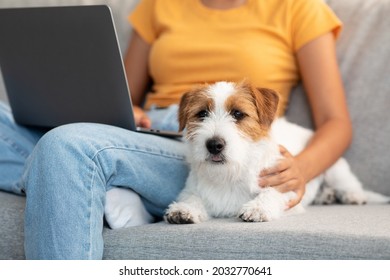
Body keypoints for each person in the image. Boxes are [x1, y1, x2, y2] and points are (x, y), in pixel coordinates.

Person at [0, 0, 351, 259]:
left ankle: (87, 178)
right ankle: (96, 183)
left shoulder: (298, 7)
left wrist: (299, 170)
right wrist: (131, 111)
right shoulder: (158, 5)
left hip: (206, 149)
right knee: (41, 135)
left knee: (63, 147)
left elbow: (336, 122)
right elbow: (120, 91)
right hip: (148, 130)